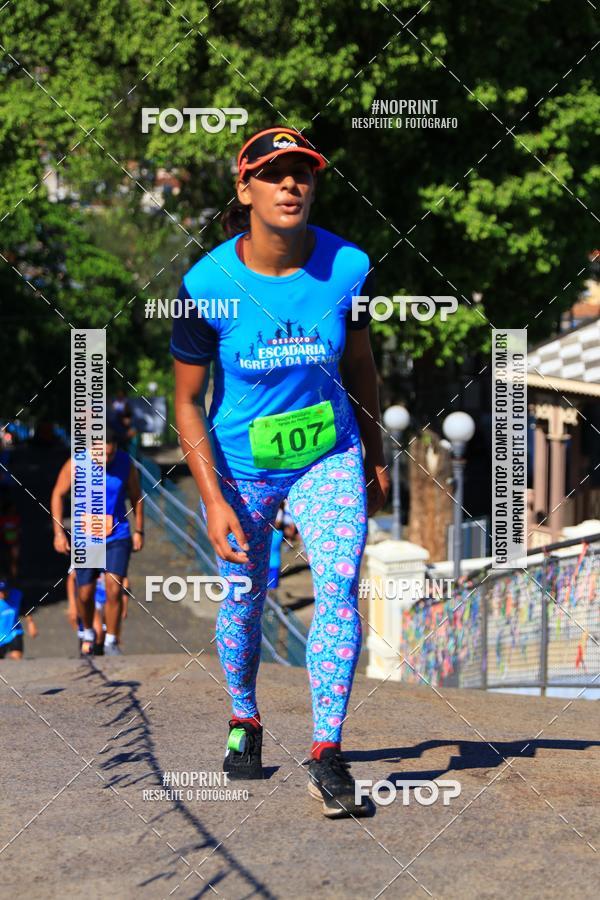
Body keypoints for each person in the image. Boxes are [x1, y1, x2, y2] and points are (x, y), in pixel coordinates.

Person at [171, 126, 390, 818]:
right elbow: (186, 401)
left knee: (340, 588)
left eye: (303, 172)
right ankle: (245, 716)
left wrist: (375, 453)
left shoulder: (349, 267)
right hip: (242, 468)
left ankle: (327, 751)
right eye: (272, 173)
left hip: (329, 454)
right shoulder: (205, 285)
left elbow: (361, 365)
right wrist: (213, 500)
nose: (290, 184)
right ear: (245, 190)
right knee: (244, 597)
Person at [51, 429, 144, 656]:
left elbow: (136, 496)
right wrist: (59, 533)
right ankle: (88, 633)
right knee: (85, 593)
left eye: (110, 455)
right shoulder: (76, 463)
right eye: (100, 455)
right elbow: (58, 495)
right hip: (85, 538)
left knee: (114, 588)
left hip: (117, 534)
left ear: (116, 449)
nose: (105, 459)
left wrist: (139, 530)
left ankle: (111, 640)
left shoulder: (125, 463)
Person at [0, 571, 38, 660]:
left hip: (14, 632)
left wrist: (31, 623)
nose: (2, 594)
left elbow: (25, 609)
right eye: (0, 591)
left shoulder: (17, 595)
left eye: (4, 591)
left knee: (16, 658)